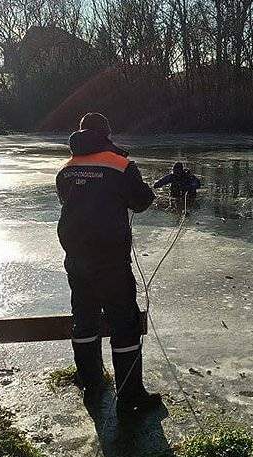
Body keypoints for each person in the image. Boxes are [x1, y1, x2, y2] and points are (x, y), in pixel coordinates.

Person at [56, 112, 164, 417]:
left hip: (75, 259)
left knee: (84, 319)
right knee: (124, 323)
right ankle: (130, 396)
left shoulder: (66, 168)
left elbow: (66, 200)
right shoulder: (121, 166)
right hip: (110, 260)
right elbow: (141, 202)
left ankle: (92, 384)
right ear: (107, 135)